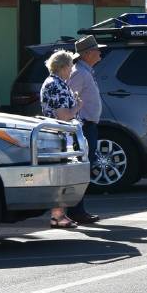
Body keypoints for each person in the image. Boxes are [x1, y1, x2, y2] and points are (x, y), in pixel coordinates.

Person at [40, 49, 82, 229]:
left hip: (55, 136)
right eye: (71, 66)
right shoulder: (57, 85)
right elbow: (63, 115)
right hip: (60, 137)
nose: (72, 70)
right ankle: (58, 216)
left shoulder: (50, 82)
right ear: (63, 67)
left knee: (61, 176)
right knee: (63, 176)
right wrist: (78, 106)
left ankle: (59, 215)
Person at [65, 35, 103, 225]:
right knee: (82, 168)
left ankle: (76, 210)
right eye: (96, 49)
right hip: (84, 126)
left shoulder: (86, 70)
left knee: (84, 167)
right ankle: (75, 211)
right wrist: (76, 119)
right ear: (87, 54)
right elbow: (70, 96)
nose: (100, 52)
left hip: (88, 125)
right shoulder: (80, 72)